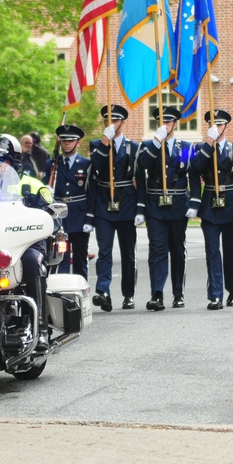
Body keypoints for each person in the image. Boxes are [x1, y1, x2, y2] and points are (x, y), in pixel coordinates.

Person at [0, 134, 55, 349]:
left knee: (32, 260)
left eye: (0, 161)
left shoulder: (32, 186)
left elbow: (49, 218)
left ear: (13, 162)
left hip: (25, 245)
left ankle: (41, 329)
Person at [188, 109, 233, 310]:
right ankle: (215, 295)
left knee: (231, 253)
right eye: (213, 125)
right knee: (212, 252)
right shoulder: (201, 148)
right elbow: (194, 169)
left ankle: (232, 292)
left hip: (231, 205)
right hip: (210, 206)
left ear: (226, 126)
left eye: (220, 124)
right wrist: (209, 143)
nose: (217, 128)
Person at [135, 106, 193, 311]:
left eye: (168, 122)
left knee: (177, 250)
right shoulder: (147, 147)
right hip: (155, 206)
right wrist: (156, 142)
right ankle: (157, 294)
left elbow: (188, 172)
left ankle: (178, 293)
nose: (165, 125)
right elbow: (141, 167)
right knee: (157, 250)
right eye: (161, 122)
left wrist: (194, 202)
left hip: (178, 206)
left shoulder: (185, 146)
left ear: (175, 124)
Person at [88, 105, 139, 312]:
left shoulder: (133, 147)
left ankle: (128, 294)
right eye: (108, 120)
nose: (111, 124)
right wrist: (105, 141)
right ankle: (103, 291)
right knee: (105, 251)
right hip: (103, 204)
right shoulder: (97, 144)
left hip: (126, 203)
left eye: (115, 120)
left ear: (122, 122)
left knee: (128, 253)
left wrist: (140, 208)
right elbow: (98, 165)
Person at [42, 124, 91, 281]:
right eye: (64, 141)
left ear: (78, 143)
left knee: (79, 255)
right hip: (59, 215)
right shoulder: (52, 164)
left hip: (79, 215)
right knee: (60, 254)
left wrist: (90, 217)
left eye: (70, 141)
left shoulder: (86, 164)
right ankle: (62, 287)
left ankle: (80, 286)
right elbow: (44, 190)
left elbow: (91, 192)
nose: (67, 144)